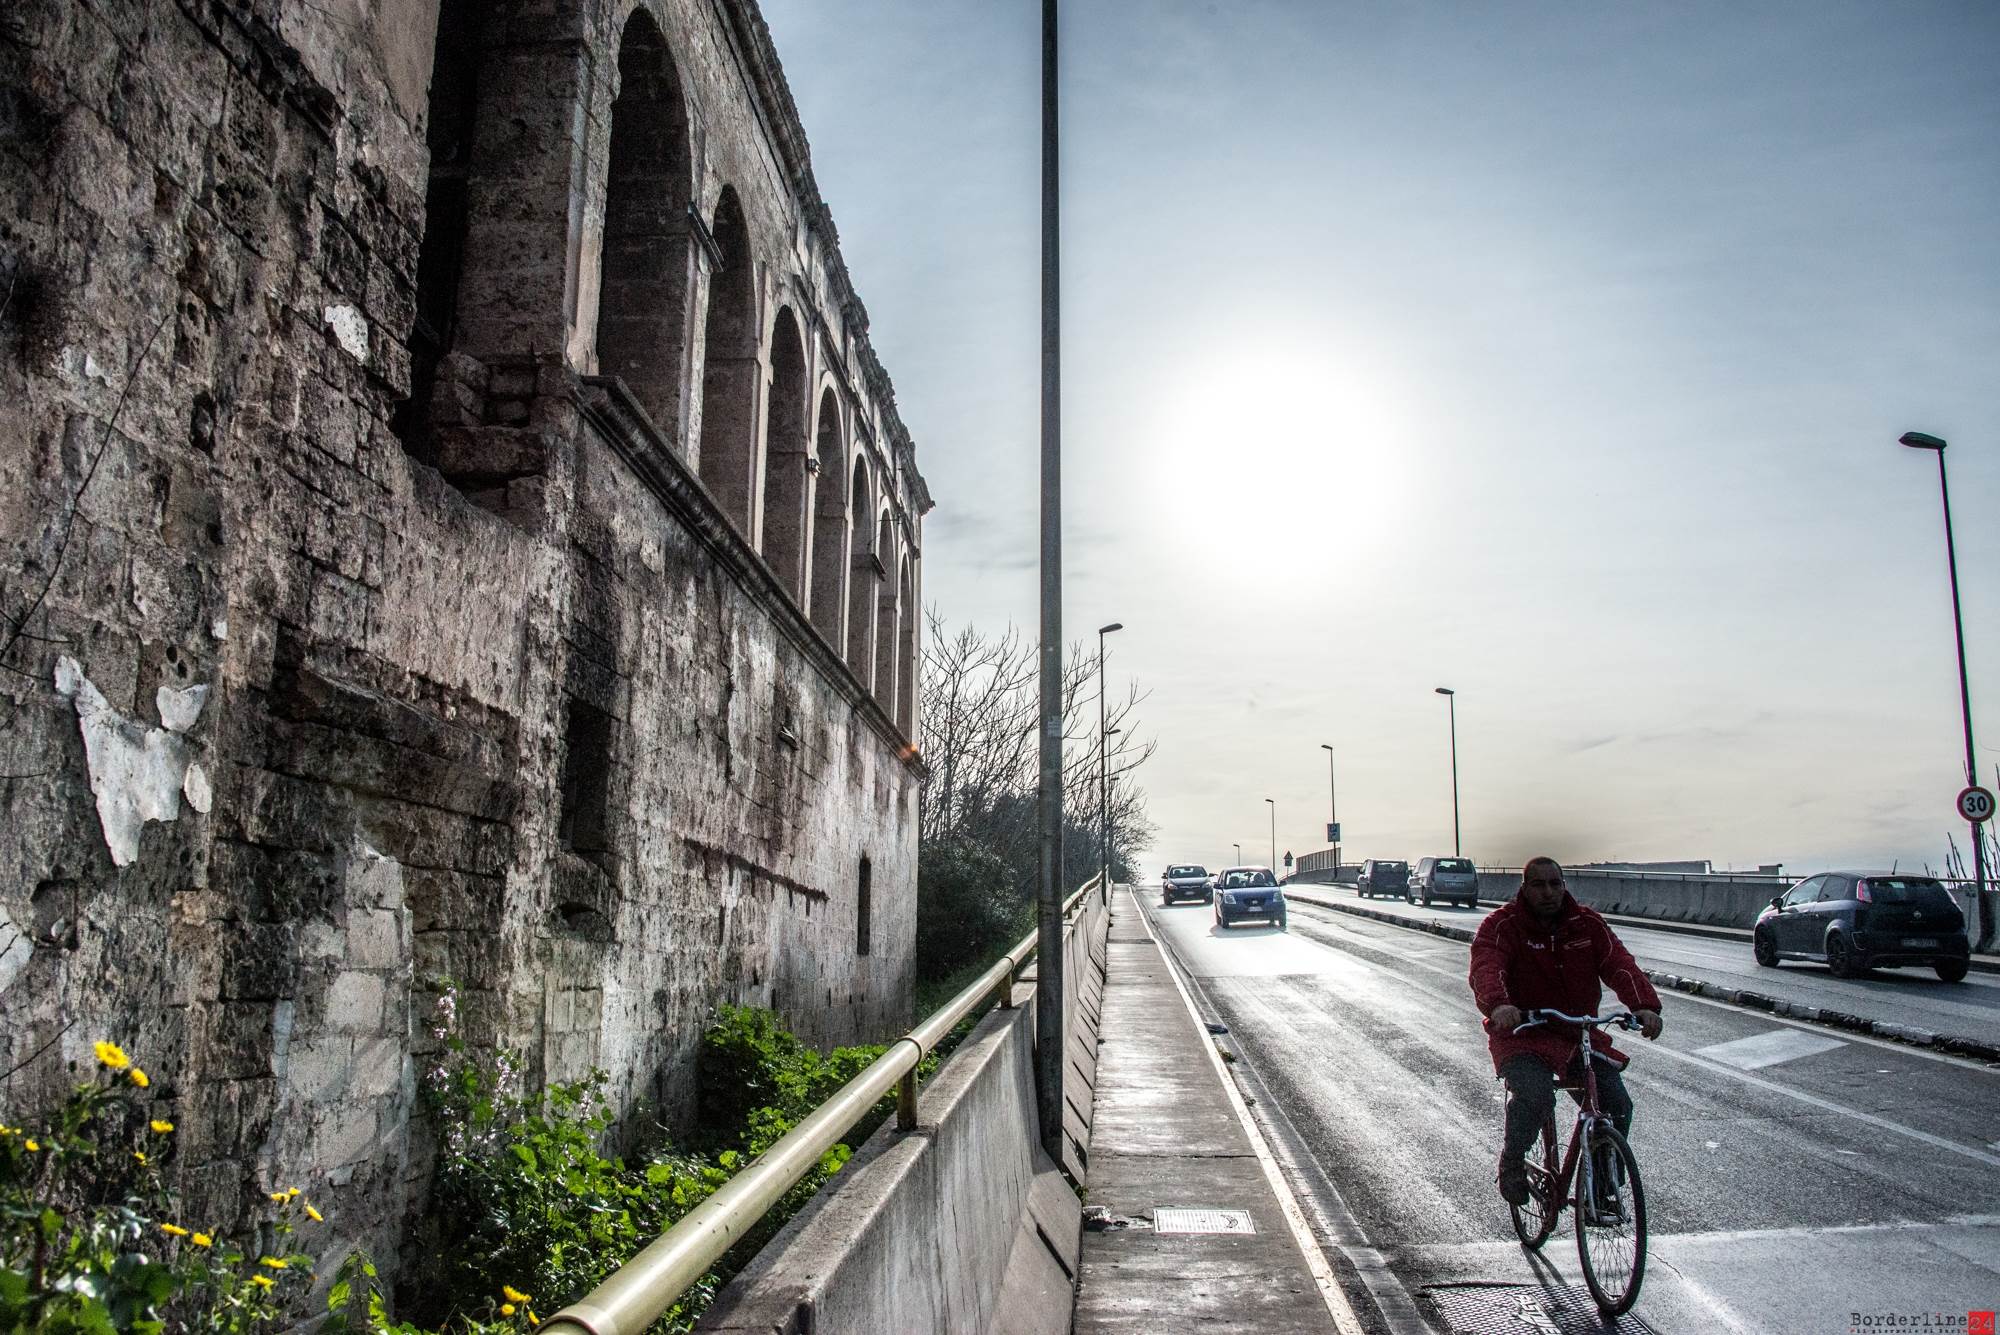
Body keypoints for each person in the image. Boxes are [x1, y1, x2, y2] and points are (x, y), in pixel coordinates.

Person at [1468, 857, 1664, 1207]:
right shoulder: (1503, 926)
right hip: (1523, 1034)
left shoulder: (1586, 924)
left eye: (1555, 884)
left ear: (1564, 886)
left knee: (1616, 1104)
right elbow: (1487, 966)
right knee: (1536, 1095)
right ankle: (1512, 1160)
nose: (1548, 892)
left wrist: (1644, 1006)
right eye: (1539, 885)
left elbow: (1619, 963)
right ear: (1525, 888)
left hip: (1577, 1035)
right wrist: (1499, 1005)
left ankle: (1603, 1189)